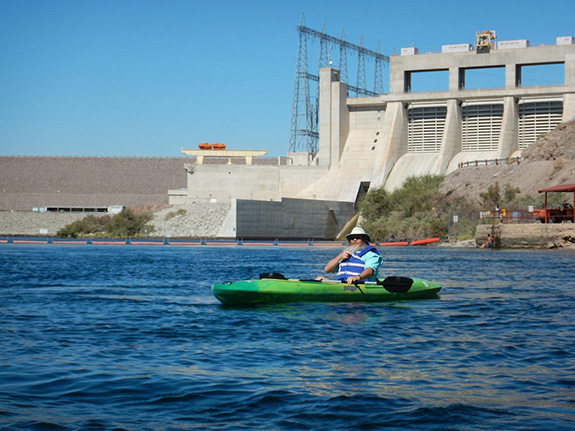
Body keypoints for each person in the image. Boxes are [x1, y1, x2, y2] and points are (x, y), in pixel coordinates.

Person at [316, 227, 382, 284]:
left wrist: (357, 277)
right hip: (342, 284)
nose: (355, 240)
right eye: (352, 238)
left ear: (364, 240)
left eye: (358, 238)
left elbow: (370, 270)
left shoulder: (370, 255)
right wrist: (339, 257)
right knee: (319, 278)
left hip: (360, 284)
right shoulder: (345, 255)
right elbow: (327, 269)